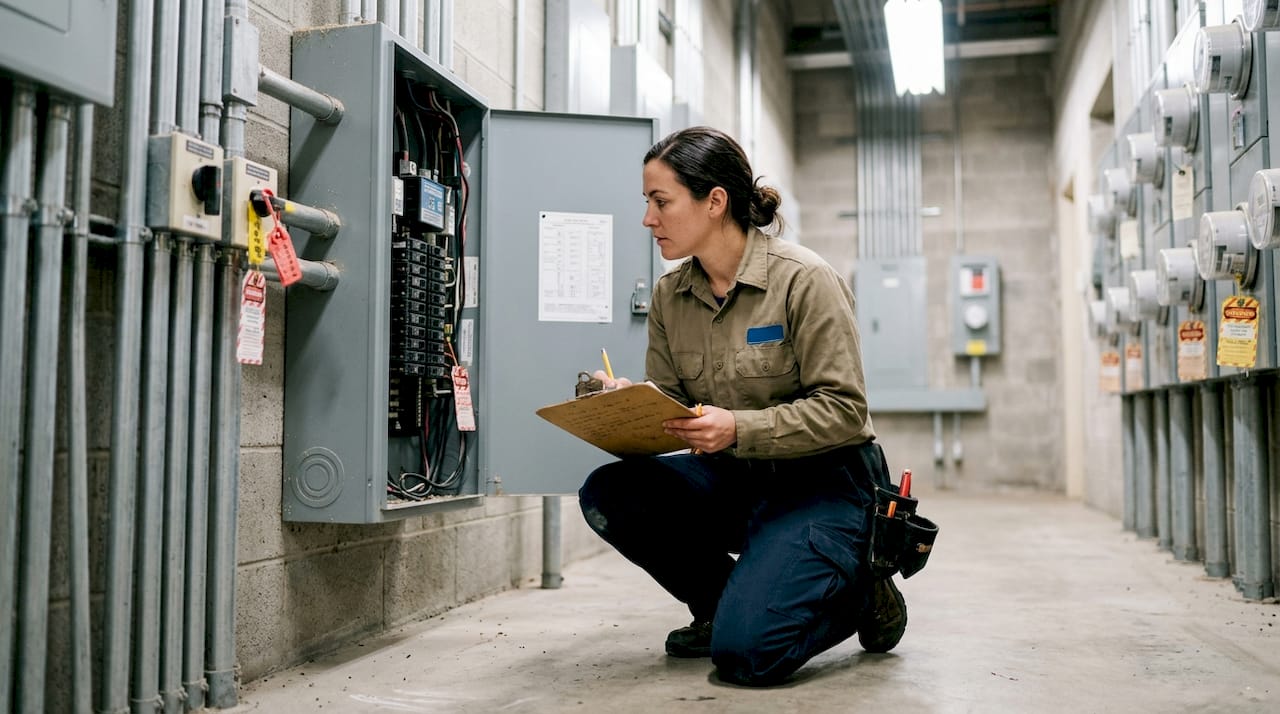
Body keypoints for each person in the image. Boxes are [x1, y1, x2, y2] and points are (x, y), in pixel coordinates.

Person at [577, 126, 907, 687]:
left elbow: (845, 410)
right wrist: (625, 402)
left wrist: (737, 428)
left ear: (714, 202)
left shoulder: (804, 281)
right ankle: (721, 605)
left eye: (660, 202)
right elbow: (673, 404)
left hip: (825, 482)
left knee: (746, 657)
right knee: (612, 492)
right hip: (736, 477)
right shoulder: (670, 295)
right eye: (647, 203)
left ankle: (861, 592)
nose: (648, 219)